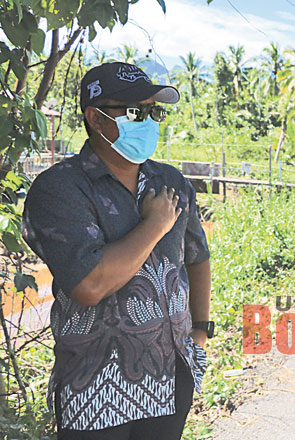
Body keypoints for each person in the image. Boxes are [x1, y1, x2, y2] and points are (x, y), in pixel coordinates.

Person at [21, 62, 214, 439]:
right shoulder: (60, 189)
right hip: (94, 383)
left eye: (154, 111)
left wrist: (201, 331)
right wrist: (154, 226)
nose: (148, 122)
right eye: (134, 112)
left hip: (170, 375)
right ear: (94, 117)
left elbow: (197, 255)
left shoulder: (171, 182)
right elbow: (89, 284)